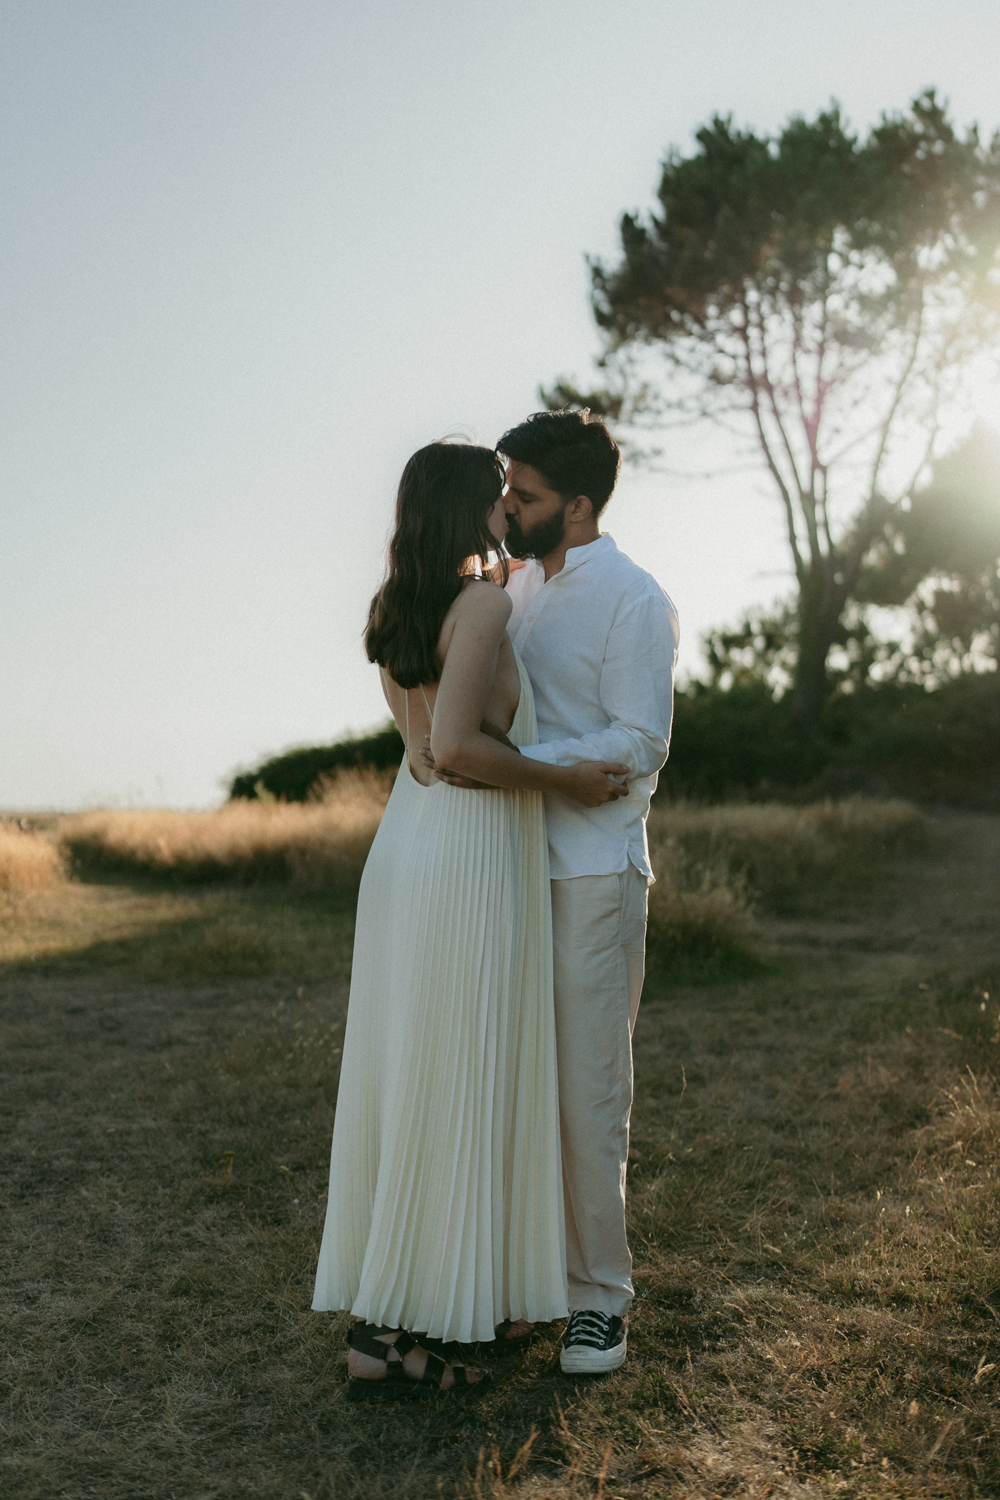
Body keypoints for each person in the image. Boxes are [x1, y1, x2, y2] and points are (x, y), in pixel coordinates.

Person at [311, 440, 629, 1401]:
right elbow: (455, 749)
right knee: (458, 1074)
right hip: (468, 852)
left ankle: (401, 1321)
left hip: (408, 848)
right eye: (497, 497)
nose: (508, 509)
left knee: (419, 1072)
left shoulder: (397, 607)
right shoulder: (483, 605)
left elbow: (419, 749)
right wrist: (567, 778)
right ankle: (407, 1328)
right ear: (466, 508)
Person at [426, 410, 678, 1375]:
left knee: (586, 1090)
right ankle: (527, 1284)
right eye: (507, 489)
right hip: (500, 869)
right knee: (516, 1082)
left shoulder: (635, 599)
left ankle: (598, 1301)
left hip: (590, 870)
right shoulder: (507, 588)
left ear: (577, 506)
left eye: (524, 496)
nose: (505, 506)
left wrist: (520, 764)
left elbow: (640, 741)